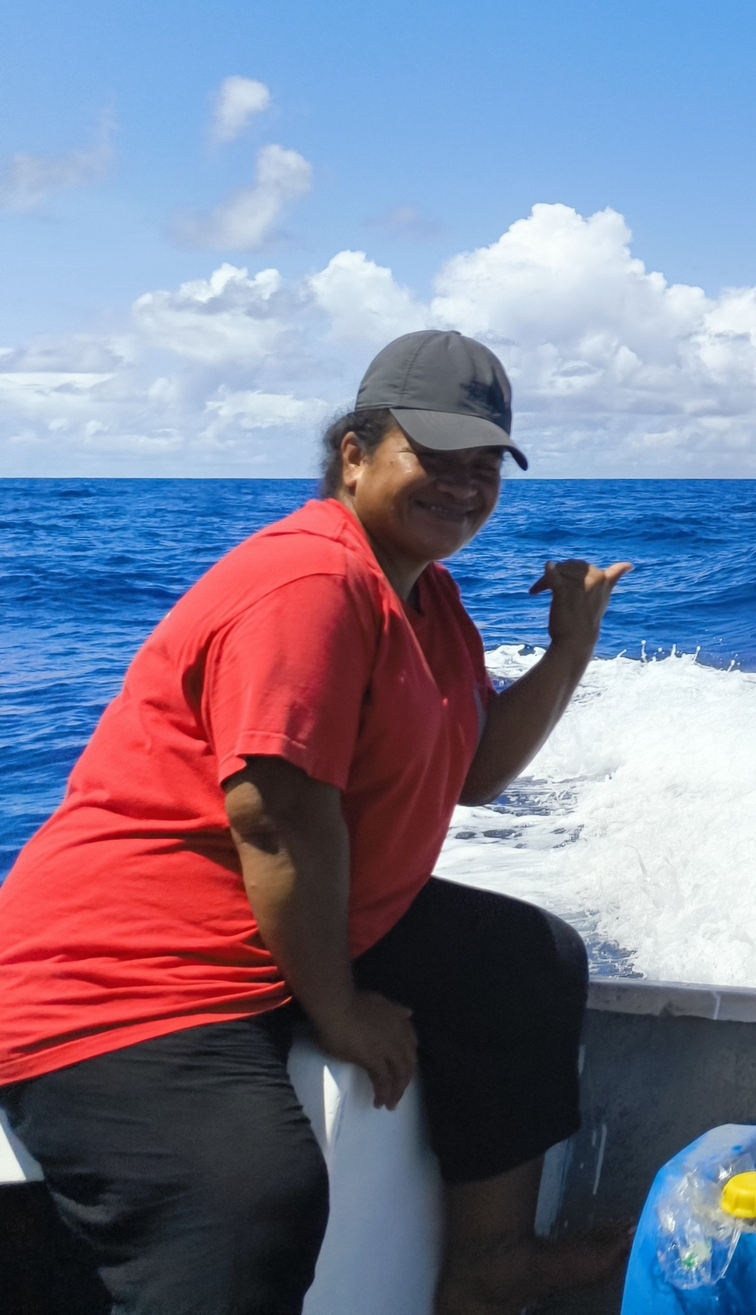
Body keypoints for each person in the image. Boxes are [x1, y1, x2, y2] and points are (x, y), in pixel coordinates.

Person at [0, 330, 632, 1315]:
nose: (463, 487)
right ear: (355, 452)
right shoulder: (314, 583)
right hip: (126, 968)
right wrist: (338, 1006)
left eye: (484, 467)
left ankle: (490, 1263)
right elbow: (278, 817)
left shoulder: (426, 597)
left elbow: (477, 773)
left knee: (522, 962)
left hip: (285, 926)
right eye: (436, 458)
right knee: (256, 1200)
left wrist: (569, 651)